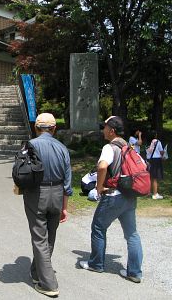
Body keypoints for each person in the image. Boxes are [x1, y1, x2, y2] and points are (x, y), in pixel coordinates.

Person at [80, 116, 143, 283]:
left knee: (98, 227)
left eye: (105, 127)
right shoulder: (129, 147)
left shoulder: (110, 147)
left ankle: (96, 264)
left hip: (114, 196)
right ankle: (134, 272)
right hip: (130, 195)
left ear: (112, 130)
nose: (103, 130)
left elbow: (102, 166)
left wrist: (98, 188)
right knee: (132, 234)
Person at [22, 113, 71, 297]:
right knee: (50, 236)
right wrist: (65, 207)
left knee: (39, 237)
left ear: (36, 128)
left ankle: (49, 283)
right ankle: (37, 272)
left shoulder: (30, 145)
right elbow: (67, 181)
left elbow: (22, 171)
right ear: (54, 128)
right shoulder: (62, 148)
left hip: (37, 194)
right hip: (57, 193)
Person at [146, 131, 164, 200]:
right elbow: (161, 151)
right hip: (156, 160)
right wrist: (163, 154)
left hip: (149, 160)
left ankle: (149, 192)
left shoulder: (148, 142)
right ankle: (155, 194)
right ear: (155, 135)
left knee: (150, 177)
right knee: (155, 178)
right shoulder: (157, 142)